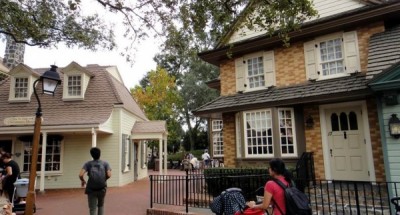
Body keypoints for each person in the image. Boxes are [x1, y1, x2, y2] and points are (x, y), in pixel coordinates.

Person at [79, 147, 112, 215]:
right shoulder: (105, 163)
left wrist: (83, 181)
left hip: (91, 189)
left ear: (91, 155)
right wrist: (104, 179)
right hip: (102, 188)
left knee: (92, 208)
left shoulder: (88, 164)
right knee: (101, 206)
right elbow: (109, 175)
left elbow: (80, 175)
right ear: (100, 154)